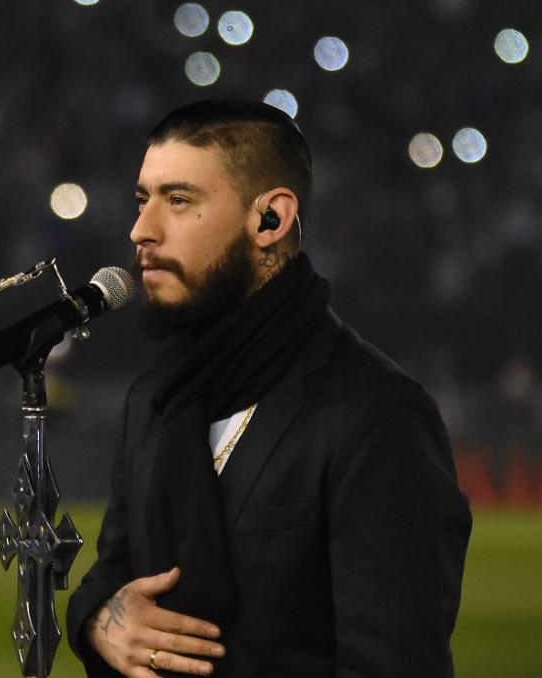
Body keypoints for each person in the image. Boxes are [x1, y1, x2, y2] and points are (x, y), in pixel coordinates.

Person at [66, 99, 471, 678]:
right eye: (142, 200)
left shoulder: (378, 415)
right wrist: (102, 620)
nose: (141, 231)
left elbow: (395, 664)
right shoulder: (156, 397)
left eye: (178, 201)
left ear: (270, 221)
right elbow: (113, 573)